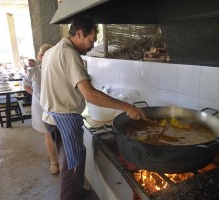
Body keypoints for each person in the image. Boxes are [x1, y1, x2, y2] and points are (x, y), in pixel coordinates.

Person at [40, 17, 146, 200]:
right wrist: (127, 107)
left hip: (50, 117)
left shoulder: (52, 51)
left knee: (70, 164)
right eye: (91, 39)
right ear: (79, 33)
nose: (92, 45)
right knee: (71, 169)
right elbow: (90, 95)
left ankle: (78, 193)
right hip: (64, 120)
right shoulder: (69, 52)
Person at [23, 44, 59, 174]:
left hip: (56, 106)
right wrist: (36, 95)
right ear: (40, 57)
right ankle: (53, 161)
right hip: (40, 107)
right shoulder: (33, 71)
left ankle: (61, 158)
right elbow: (25, 85)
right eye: (46, 55)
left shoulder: (57, 70)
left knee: (59, 133)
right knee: (48, 133)